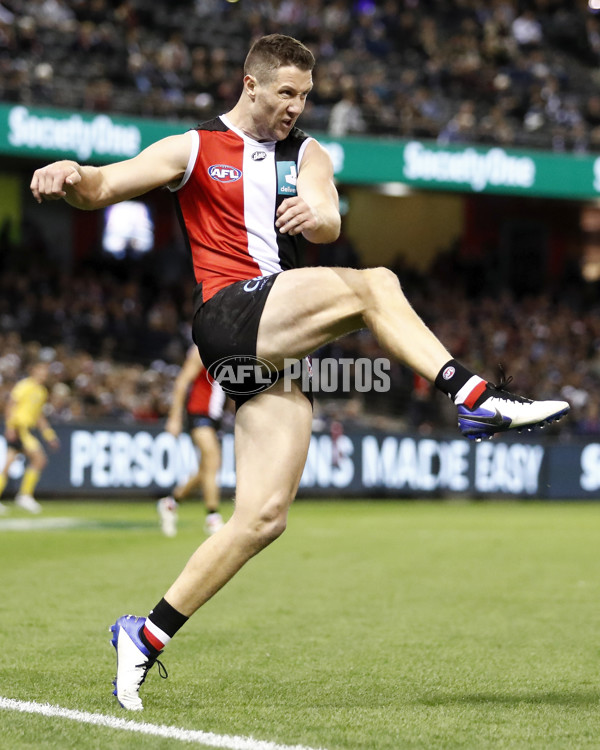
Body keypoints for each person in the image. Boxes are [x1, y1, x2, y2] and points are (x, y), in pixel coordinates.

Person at [30, 34, 569, 711]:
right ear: (250, 84)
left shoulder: (307, 153)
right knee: (376, 284)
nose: (296, 106)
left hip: (271, 337)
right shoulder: (194, 147)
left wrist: (316, 217)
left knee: (262, 517)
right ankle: (476, 396)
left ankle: (145, 636)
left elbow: (328, 219)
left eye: (306, 95)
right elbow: (105, 185)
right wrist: (74, 175)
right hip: (228, 316)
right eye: (286, 93)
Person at [158, 346, 226, 538]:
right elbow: (182, 382)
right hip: (199, 414)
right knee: (213, 460)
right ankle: (213, 517)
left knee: (205, 470)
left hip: (214, 417)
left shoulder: (228, 346)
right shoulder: (201, 350)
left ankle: (170, 503)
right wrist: (174, 417)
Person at [0, 361, 60, 514]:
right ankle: (24, 495)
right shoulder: (24, 386)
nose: (44, 374)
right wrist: (10, 426)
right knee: (39, 459)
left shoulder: (41, 391)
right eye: (41, 371)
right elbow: (11, 404)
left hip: (27, 429)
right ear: (34, 371)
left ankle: (24, 496)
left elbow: (39, 416)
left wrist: (49, 435)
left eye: (46, 372)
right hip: (20, 429)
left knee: (8, 464)